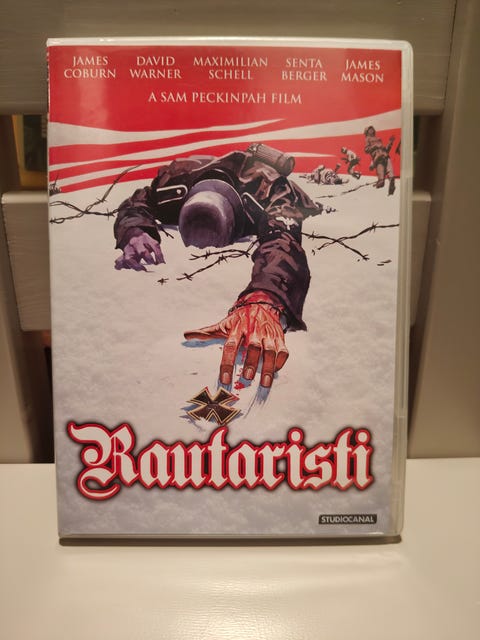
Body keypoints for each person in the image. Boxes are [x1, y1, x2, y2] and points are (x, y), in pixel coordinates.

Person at [114, 144, 321, 388]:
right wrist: (135, 230)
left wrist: (265, 296)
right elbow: (137, 202)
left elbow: (283, 239)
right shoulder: (171, 183)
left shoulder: (272, 189)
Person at [364, 126, 396, 194]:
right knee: (383, 173)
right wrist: (375, 146)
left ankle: (389, 181)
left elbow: (386, 150)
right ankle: (384, 180)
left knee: (389, 172)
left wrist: (390, 143)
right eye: (370, 129)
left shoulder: (378, 139)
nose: (372, 130)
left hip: (383, 155)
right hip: (378, 156)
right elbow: (366, 150)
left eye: (372, 129)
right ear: (367, 132)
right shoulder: (367, 138)